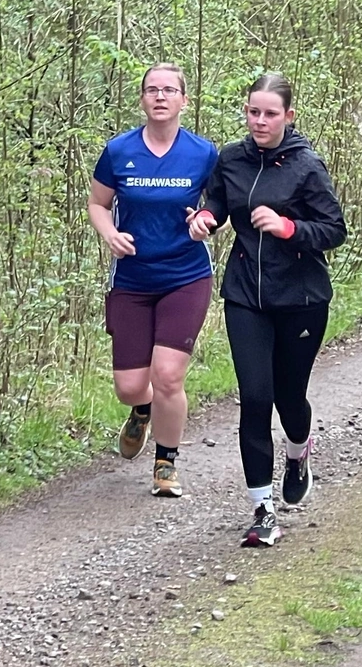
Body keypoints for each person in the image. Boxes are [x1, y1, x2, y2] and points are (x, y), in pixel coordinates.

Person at [187, 74, 347, 547]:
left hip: (301, 298)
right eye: (253, 112)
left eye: (270, 113)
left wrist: (287, 227)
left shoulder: (307, 166)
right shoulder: (231, 159)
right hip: (245, 296)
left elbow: (334, 229)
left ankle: (298, 452)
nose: (260, 121)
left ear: (288, 117)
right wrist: (204, 220)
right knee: (255, 398)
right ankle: (262, 509)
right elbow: (216, 202)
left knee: (288, 399)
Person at [88, 63, 218, 499]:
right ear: (142, 99)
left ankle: (166, 461)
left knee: (168, 376)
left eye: (169, 90)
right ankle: (141, 411)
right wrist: (108, 233)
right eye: (152, 90)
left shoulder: (203, 153)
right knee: (129, 386)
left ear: (184, 100)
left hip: (185, 275)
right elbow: (98, 203)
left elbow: (218, 206)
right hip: (132, 279)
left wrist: (204, 220)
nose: (160, 97)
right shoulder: (118, 149)